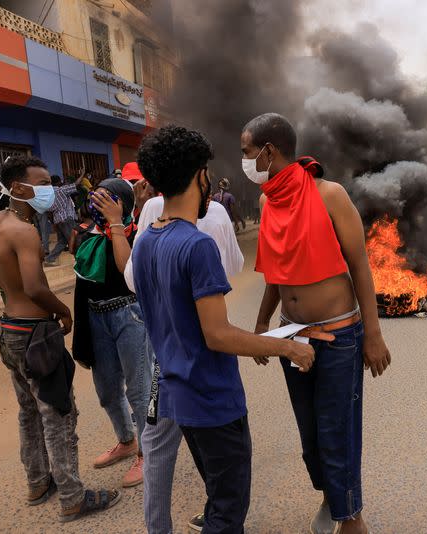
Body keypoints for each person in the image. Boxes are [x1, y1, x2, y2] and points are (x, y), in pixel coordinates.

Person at [130, 125, 311, 533]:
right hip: (213, 402)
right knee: (228, 511)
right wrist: (288, 348)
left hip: (179, 398)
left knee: (218, 497)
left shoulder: (145, 241)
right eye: (207, 171)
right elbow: (218, 335)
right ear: (199, 175)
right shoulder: (196, 246)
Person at [245, 113, 391, 534]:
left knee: (337, 430)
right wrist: (261, 327)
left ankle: (352, 519)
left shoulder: (330, 195)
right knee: (311, 436)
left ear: (268, 152)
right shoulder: (266, 200)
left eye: (247, 152)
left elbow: (360, 265)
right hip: (292, 335)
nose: (246, 159)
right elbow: (276, 272)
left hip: (339, 336)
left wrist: (374, 334)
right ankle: (334, 496)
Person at [0, 155, 121, 521]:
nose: (49, 190)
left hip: (8, 328)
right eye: (41, 183)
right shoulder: (25, 230)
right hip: (35, 333)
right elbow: (34, 286)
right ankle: (73, 497)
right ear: (17, 188)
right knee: (59, 415)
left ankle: (37, 482)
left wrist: (5, 286)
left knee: (28, 411)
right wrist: (63, 310)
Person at [125, 191, 243, 534]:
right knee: (222, 460)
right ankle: (216, 515)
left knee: (156, 444)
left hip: (164, 362)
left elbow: (132, 280)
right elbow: (231, 270)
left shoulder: (149, 225)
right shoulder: (211, 223)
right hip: (210, 369)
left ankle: (159, 528)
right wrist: (284, 347)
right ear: (198, 176)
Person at [71, 178, 150, 488]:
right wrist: (82, 339)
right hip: (97, 319)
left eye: (107, 197)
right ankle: (126, 440)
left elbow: (126, 269)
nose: (98, 203)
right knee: (106, 391)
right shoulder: (86, 234)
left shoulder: (138, 233)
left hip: (129, 315)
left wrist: (117, 223)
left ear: (122, 203)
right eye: (97, 197)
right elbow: (80, 288)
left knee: (138, 391)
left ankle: (147, 453)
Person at [45, 173, 86, 266]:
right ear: (59, 182)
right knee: (75, 240)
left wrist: (53, 222)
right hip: (67, 219)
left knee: (62, 242)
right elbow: (76, 184)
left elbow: (48, 210)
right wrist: (82, 173)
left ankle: (49, 259)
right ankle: (80, 261)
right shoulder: (61, 190)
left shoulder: (49, 194)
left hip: (58, 220)